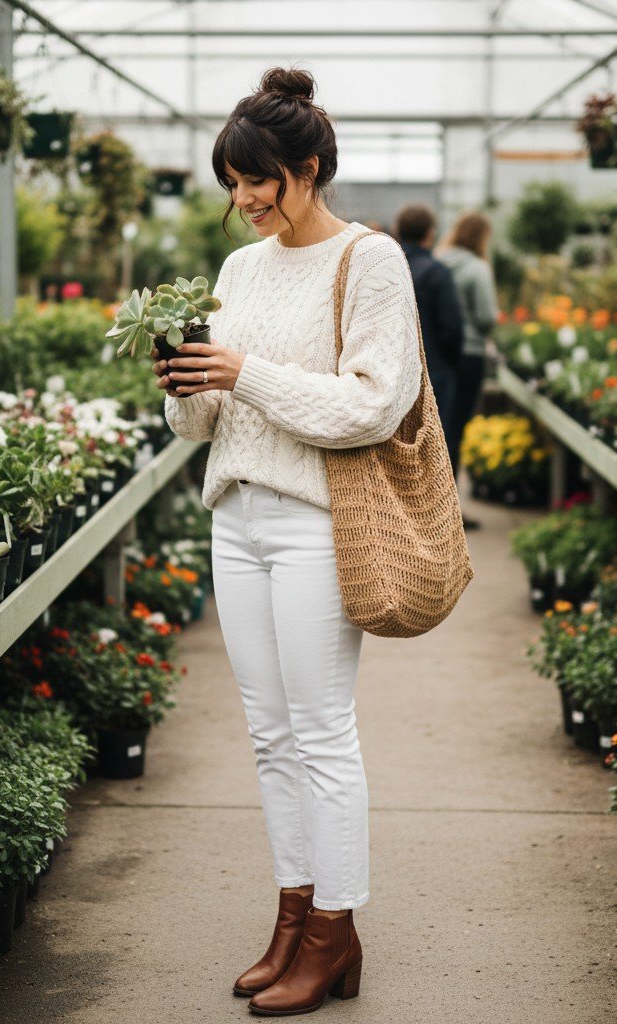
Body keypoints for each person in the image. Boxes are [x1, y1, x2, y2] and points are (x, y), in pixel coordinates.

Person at [151, 67, 422, 1017]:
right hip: (237, 518)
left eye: (257, 180)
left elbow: (371, 405)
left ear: (307, 168)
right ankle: (292, 920)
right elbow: (204, 428)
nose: (243, 200)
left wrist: (246, 371)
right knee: (270, 738)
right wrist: (187, 383)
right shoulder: (237, 271)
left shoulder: (370, 260)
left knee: (320, 735)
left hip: (316, 522)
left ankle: (336, 931)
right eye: (231, 182)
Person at [437, 212, 499, 530]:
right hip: (470, 353)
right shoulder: (477, 268)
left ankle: (436, 505)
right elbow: (488, 315)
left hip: (438, 356)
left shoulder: (440, 260)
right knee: (456, 430)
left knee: (439, 429)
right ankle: (452, 510)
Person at [394, 204, 463, 468]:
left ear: (398, 231)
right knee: (435, 443)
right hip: (435, 371)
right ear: (430, 233)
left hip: (395, 369)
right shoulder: (436, 273)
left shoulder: (387, 268)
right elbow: (452, 328)